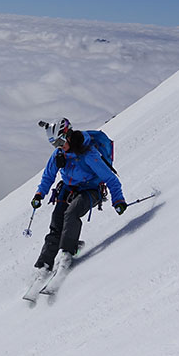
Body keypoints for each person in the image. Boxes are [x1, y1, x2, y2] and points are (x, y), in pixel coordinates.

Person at [30, 118, 127, 276]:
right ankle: (44, 264)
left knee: (72, 213)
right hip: (69, 188)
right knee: (56, 221)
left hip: (91, 190)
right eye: (55, 145)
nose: (59, 147)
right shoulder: (60, 154)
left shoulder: (88, 153)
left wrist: (118, 200)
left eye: (60, 142)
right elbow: (48, 176)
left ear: (68, 135)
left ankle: (66, 254)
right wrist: (39, 194)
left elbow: (110, 178)